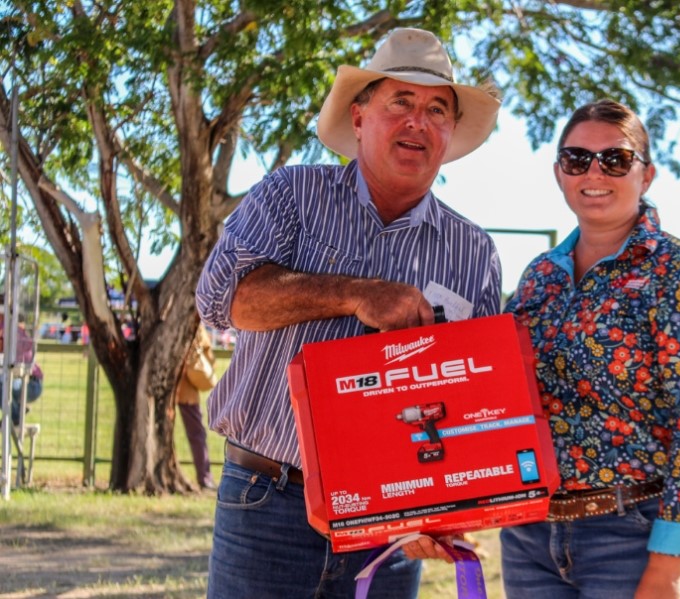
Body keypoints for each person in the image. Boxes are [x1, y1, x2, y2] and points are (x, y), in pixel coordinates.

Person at [196, 27, 502, 598]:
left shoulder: (474, 253)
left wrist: (442, 510)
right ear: (359, 118)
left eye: (437, 108)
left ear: (451, 131)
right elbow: (222, 300)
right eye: (401, 103)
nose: (419, 121)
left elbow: (471, 404)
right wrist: (356, 293)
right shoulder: (290, 196)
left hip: (392, 523)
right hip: (270, 498)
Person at [499, 100, 680, 599]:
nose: (594, 172)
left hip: (637, 536)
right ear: (559, 173)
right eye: (576, 159)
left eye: (615, 159)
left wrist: (669, 565)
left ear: (646, 175)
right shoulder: (538, 277)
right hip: (530, 541)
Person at [175, 324, 217, 490]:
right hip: (184, 389)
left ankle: (205, 477)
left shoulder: (192, 323)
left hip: (185, 388)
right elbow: (207, 350)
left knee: (196, 433)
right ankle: (205, 478)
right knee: (197, 434)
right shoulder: (193, 323)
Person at [0, 312, 44, 425]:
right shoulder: (11, 327)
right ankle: (15, 411)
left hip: (28, 382)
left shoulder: (9, 329)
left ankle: (15, 413)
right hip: (25, 382)